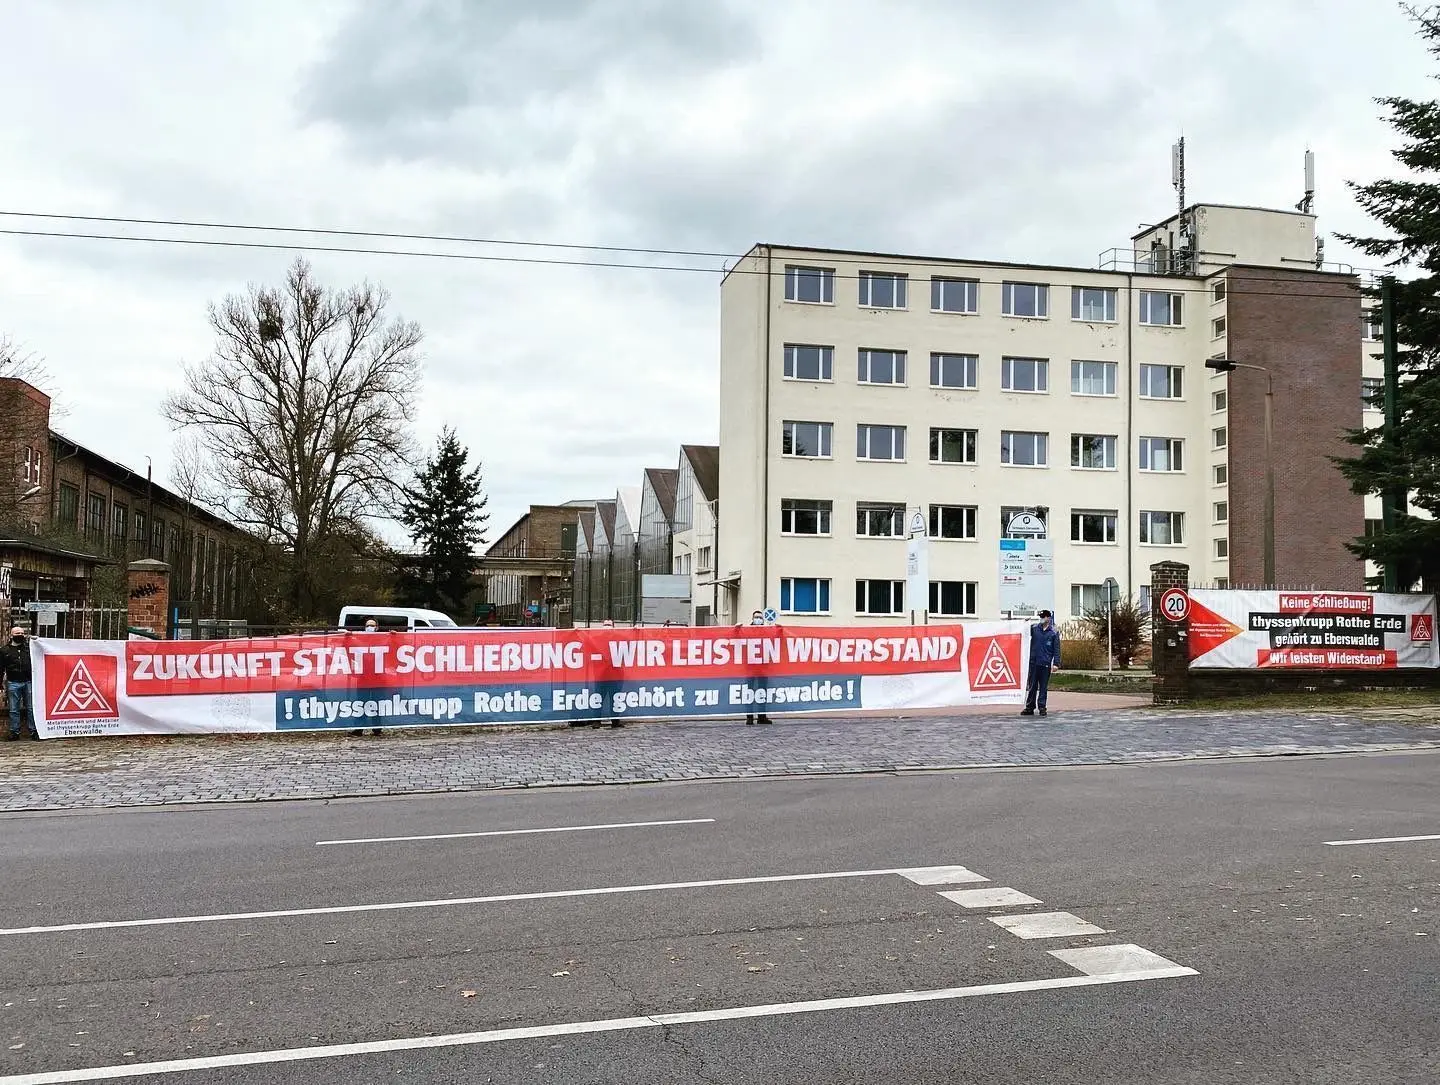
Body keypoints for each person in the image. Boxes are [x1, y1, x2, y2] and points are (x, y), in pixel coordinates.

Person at [1022, 609, 1061, 717]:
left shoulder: (1053, 632)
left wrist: (1056, 663)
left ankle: (1042, 707)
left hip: (1045, 663)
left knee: (1043, 687)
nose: (1041, 619)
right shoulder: (1034, 629)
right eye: (1040, 617)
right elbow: (1023, 631)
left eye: (1043, 617)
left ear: (1048, 618)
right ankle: (1029, 707)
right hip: (1034, 662)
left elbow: (1056, 649)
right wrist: (1024, 623)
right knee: (1032, 686)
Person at [1, 625, 37, 741]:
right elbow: (0, 667)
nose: (20, 635)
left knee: (31, 708)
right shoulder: (4, 650)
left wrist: (38, 641)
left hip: (29, 681)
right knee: (13, 709)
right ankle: (14, 732)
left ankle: (34, 731)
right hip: (13, 682)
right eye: (17, 634)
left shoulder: (29, 648)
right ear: (12, 635)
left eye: (22, 633)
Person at [350, 618, 384, 737]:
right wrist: (346, 637)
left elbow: (396, 646)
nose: (370, 627)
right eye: (368, 625)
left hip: (378, 678)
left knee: (376, 704)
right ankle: (359, 729)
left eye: (372, 625)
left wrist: (394, 636)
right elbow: (347, 648)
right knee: (361, 704)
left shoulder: (382, 640)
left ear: (377, 627)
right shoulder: (360, 640)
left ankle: (377, 729)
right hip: (363, 678)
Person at [744, 609, 771, 725]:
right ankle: (749, 718)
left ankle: (761, 717)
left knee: (762, 693)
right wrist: (736, 628)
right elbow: (736, 638)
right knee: (749, 693)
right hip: (749, 668)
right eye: (756, 617)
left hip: (763, 668)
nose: (758, 619)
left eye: (760, 618)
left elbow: (777, 639)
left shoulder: (767, 631)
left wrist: (780, 629)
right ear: (752, 618)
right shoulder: (746, 631)